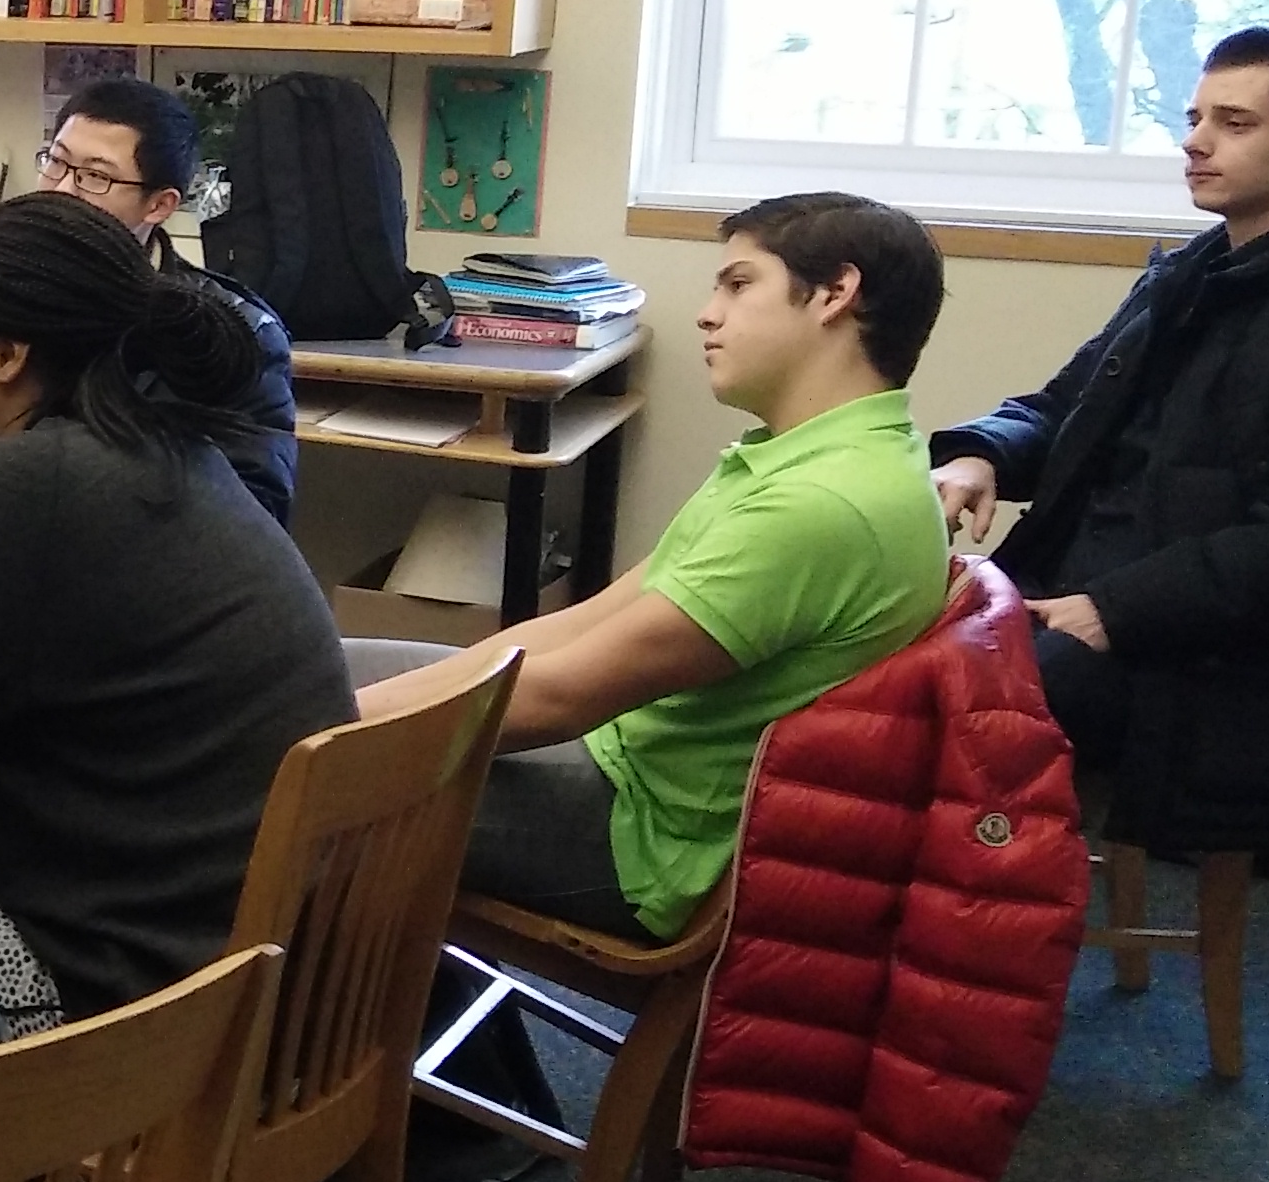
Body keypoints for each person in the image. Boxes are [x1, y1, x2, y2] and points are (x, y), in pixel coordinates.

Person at [930, 29, 1269, 859]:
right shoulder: (1182, 282)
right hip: (1072, 602)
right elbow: (1064, 408)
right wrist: (981, 453)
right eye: (1194, 118)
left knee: (916, 711)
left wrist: (1116, 610)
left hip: (1198, 664)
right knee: (848, 642)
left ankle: (936, 914)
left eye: (1234, 123)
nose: (1195, 141)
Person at [392, 195, 953, 941]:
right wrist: (332, 710)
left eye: (739, 285)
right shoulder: (814, 457)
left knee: (275, 775)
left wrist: (321, 733)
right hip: (621, 756)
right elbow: (583, 624)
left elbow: (563, 698)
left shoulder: (821, 503)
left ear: (834, 294)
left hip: (643, 831)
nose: (707, 314)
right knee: (330, 672)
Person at [0, 195, 355, 1017]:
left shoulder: (36, 483)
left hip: (148, 1004)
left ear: (8, 354)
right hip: (270, 969)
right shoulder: (164, 447)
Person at [38, 73, 298, 526]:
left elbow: (255, 511)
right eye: (55, 162)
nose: (61, 190)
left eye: (95, 176)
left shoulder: (235, 334)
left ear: (159, 205)